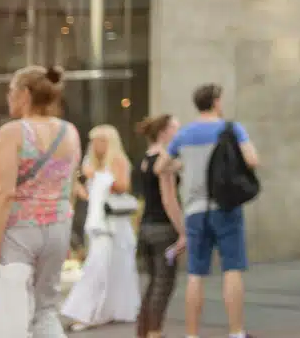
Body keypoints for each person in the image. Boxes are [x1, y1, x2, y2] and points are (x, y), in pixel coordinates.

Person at [159, 83, 259, 338]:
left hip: (194, 210)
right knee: (232, 269)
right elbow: (252, 160)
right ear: (216, 102)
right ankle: (236, 332)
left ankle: (192, 335)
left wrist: (186, 167)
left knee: (195, 274)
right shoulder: (231, 129)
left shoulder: (184, 134)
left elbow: (161, 167)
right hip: (225, 207)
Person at [0, 65, 81, 336]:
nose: (8, 98)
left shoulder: (13, 132)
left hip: (20, 230)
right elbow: (71, 187)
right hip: (57, 227)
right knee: (46, 309)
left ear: (24, 94)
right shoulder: (69, 131)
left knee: (12, 309)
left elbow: (4, 193)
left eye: (10, 92)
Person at [62, 124, 142, 329]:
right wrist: (77, 184)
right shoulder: (90, 163)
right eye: (94, 140)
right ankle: (97, 311)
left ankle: (88, 314)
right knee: (101, 267)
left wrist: (96, 177)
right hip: (97, 222)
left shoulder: (117, 160)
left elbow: (123, 186)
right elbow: (91, 195)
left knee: (100, 268)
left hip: (113, 225)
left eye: (100, 140)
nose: (96, 145)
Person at [134, 114, 186, 338]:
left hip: (146, 227)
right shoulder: (163, 162)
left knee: (153, 283)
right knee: (163, 284)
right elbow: (169, 199)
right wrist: (183, 231)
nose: (179, 132)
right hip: (163, 229)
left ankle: (144, 331)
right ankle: (154, 332)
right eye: (176, 127)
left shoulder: (145, 159)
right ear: (164, 132)